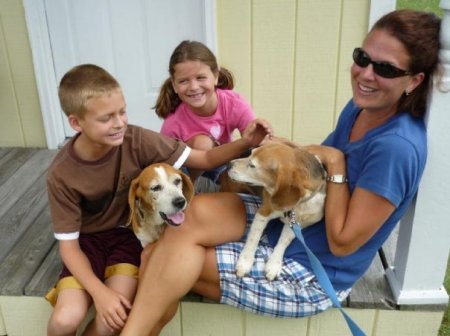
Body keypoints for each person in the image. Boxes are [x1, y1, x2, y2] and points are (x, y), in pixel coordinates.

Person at [121, 9, 442, 336]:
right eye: (362, 58)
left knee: (159, 256)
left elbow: (343, 243)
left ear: (414, 80)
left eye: (385, 68)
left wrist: (337, 164)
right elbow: (313, 169)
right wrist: (290, 151)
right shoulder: (363, 106)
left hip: (311, 269)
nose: (366, 74)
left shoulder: (396, 148)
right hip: (283, 218)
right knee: (184, 225)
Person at [45, 64, 270, 336]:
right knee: (64, 321)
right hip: (86, 243)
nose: (119, 123)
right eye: (106, 118)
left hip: (128, 238)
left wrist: (245, 142)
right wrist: (100, 294)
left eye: (122, 112)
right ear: (76, 123)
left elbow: (205, 159)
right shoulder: (62, 174)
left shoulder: (136, 139)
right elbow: (68, 248)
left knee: (110, 322)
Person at [154, 40, 256, 188]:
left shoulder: (233, 103)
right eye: (183, 81)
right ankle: (190, 193)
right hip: (188, 175)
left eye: (201, 78)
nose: (194, 87)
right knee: (203, 143)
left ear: (215, 76)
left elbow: (256, 140)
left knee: (255, 155)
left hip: (222, 167)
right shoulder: (173, 123)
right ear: (174, 85)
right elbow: (165, 167)